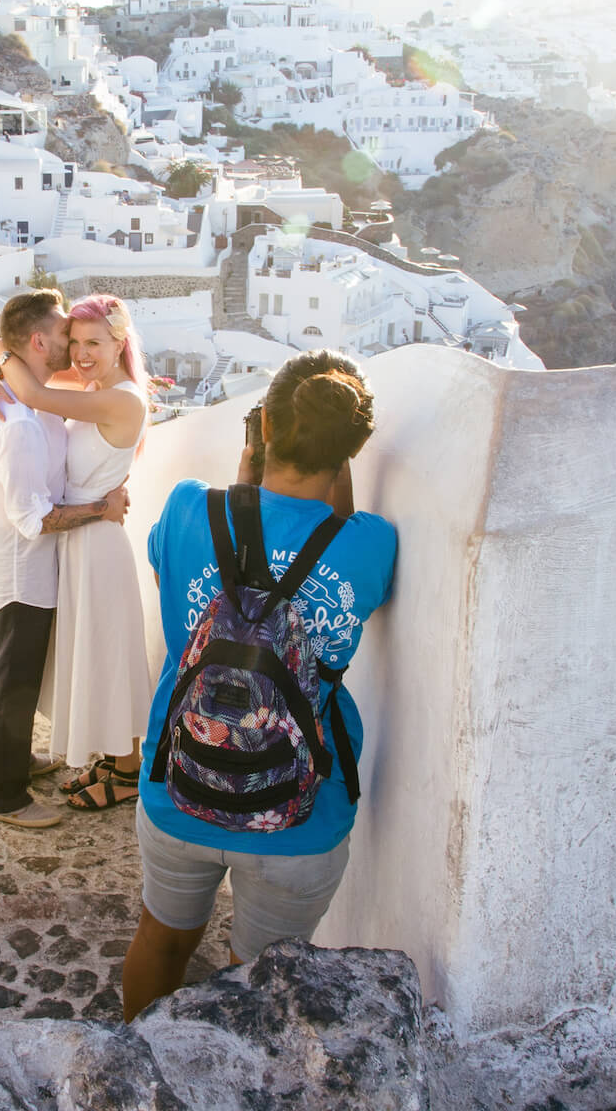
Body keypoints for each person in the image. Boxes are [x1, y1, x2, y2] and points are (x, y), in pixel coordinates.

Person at [120, 351, 396, 1020]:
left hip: (178, 784)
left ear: (264, 425)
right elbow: (344, 546)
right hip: (301, 817)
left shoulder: (190, 508)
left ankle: (129, 1063)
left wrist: (242, 492)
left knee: (162, 941)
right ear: (353, 450)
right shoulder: (374, 542)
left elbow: (173, 588)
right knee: (259, 987)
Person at [0, 295, 152, 811]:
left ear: (120, 343)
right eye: (74, 342)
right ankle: (114, 758)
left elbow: (29, 386)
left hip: (96, 541)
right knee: (91, 653)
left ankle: (127, 771)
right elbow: (7, 354)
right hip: (73, 541)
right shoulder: (95, 385)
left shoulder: (121, 399)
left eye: (94, 342)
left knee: (110, 654)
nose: (80, 353)